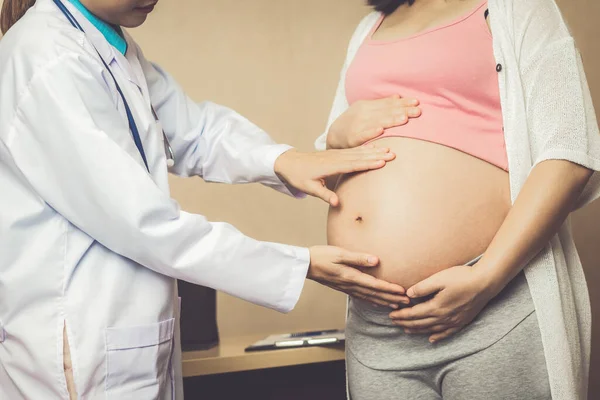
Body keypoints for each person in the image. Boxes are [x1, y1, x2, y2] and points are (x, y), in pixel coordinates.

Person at [0, 0, 417, 398]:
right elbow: (145, 225)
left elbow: (194, 130)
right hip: (80, 337)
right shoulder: (47, 58)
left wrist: (285, 160)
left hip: (123, 333)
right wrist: (298, 265)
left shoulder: (103, 43)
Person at [316, 0, 600, 399]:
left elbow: (568, 152)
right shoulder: (369, 28)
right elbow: (323, 171)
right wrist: (333, 138)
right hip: (377, 324)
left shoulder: (517, 7)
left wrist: (485, 279)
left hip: (491, 304)